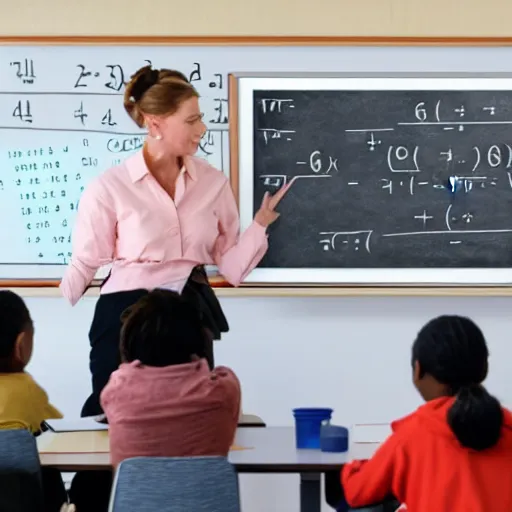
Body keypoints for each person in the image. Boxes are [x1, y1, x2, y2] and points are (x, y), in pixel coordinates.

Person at [60, 65, 288, 418]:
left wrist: (260, 225)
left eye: (200, 119)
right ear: (155, 124)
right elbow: (88, 257)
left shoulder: (212, 182)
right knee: (112, 415)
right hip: (124, 313)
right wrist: (58, 301)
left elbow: (229, 265)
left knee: (191, 413)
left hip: (187, 311)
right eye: (192, 120)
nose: (202, 129)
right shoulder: (109, 186)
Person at [334, 315, 512, 512]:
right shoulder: (508, 426)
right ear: (484, 369)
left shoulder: (412, 435)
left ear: (418, 370)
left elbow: (357, 492)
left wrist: (353, 467)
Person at [101, 288, 240, 467]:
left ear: (129, 343)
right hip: (202, 496)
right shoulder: (223, 390)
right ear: (200, 340)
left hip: (139, 495)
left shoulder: (117, 389)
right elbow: (217, 373)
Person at [0, 290, 71, 512]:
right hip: (17, 501)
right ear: (21, 343)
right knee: (47, 473)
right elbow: (58, 429)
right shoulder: (26, 390)